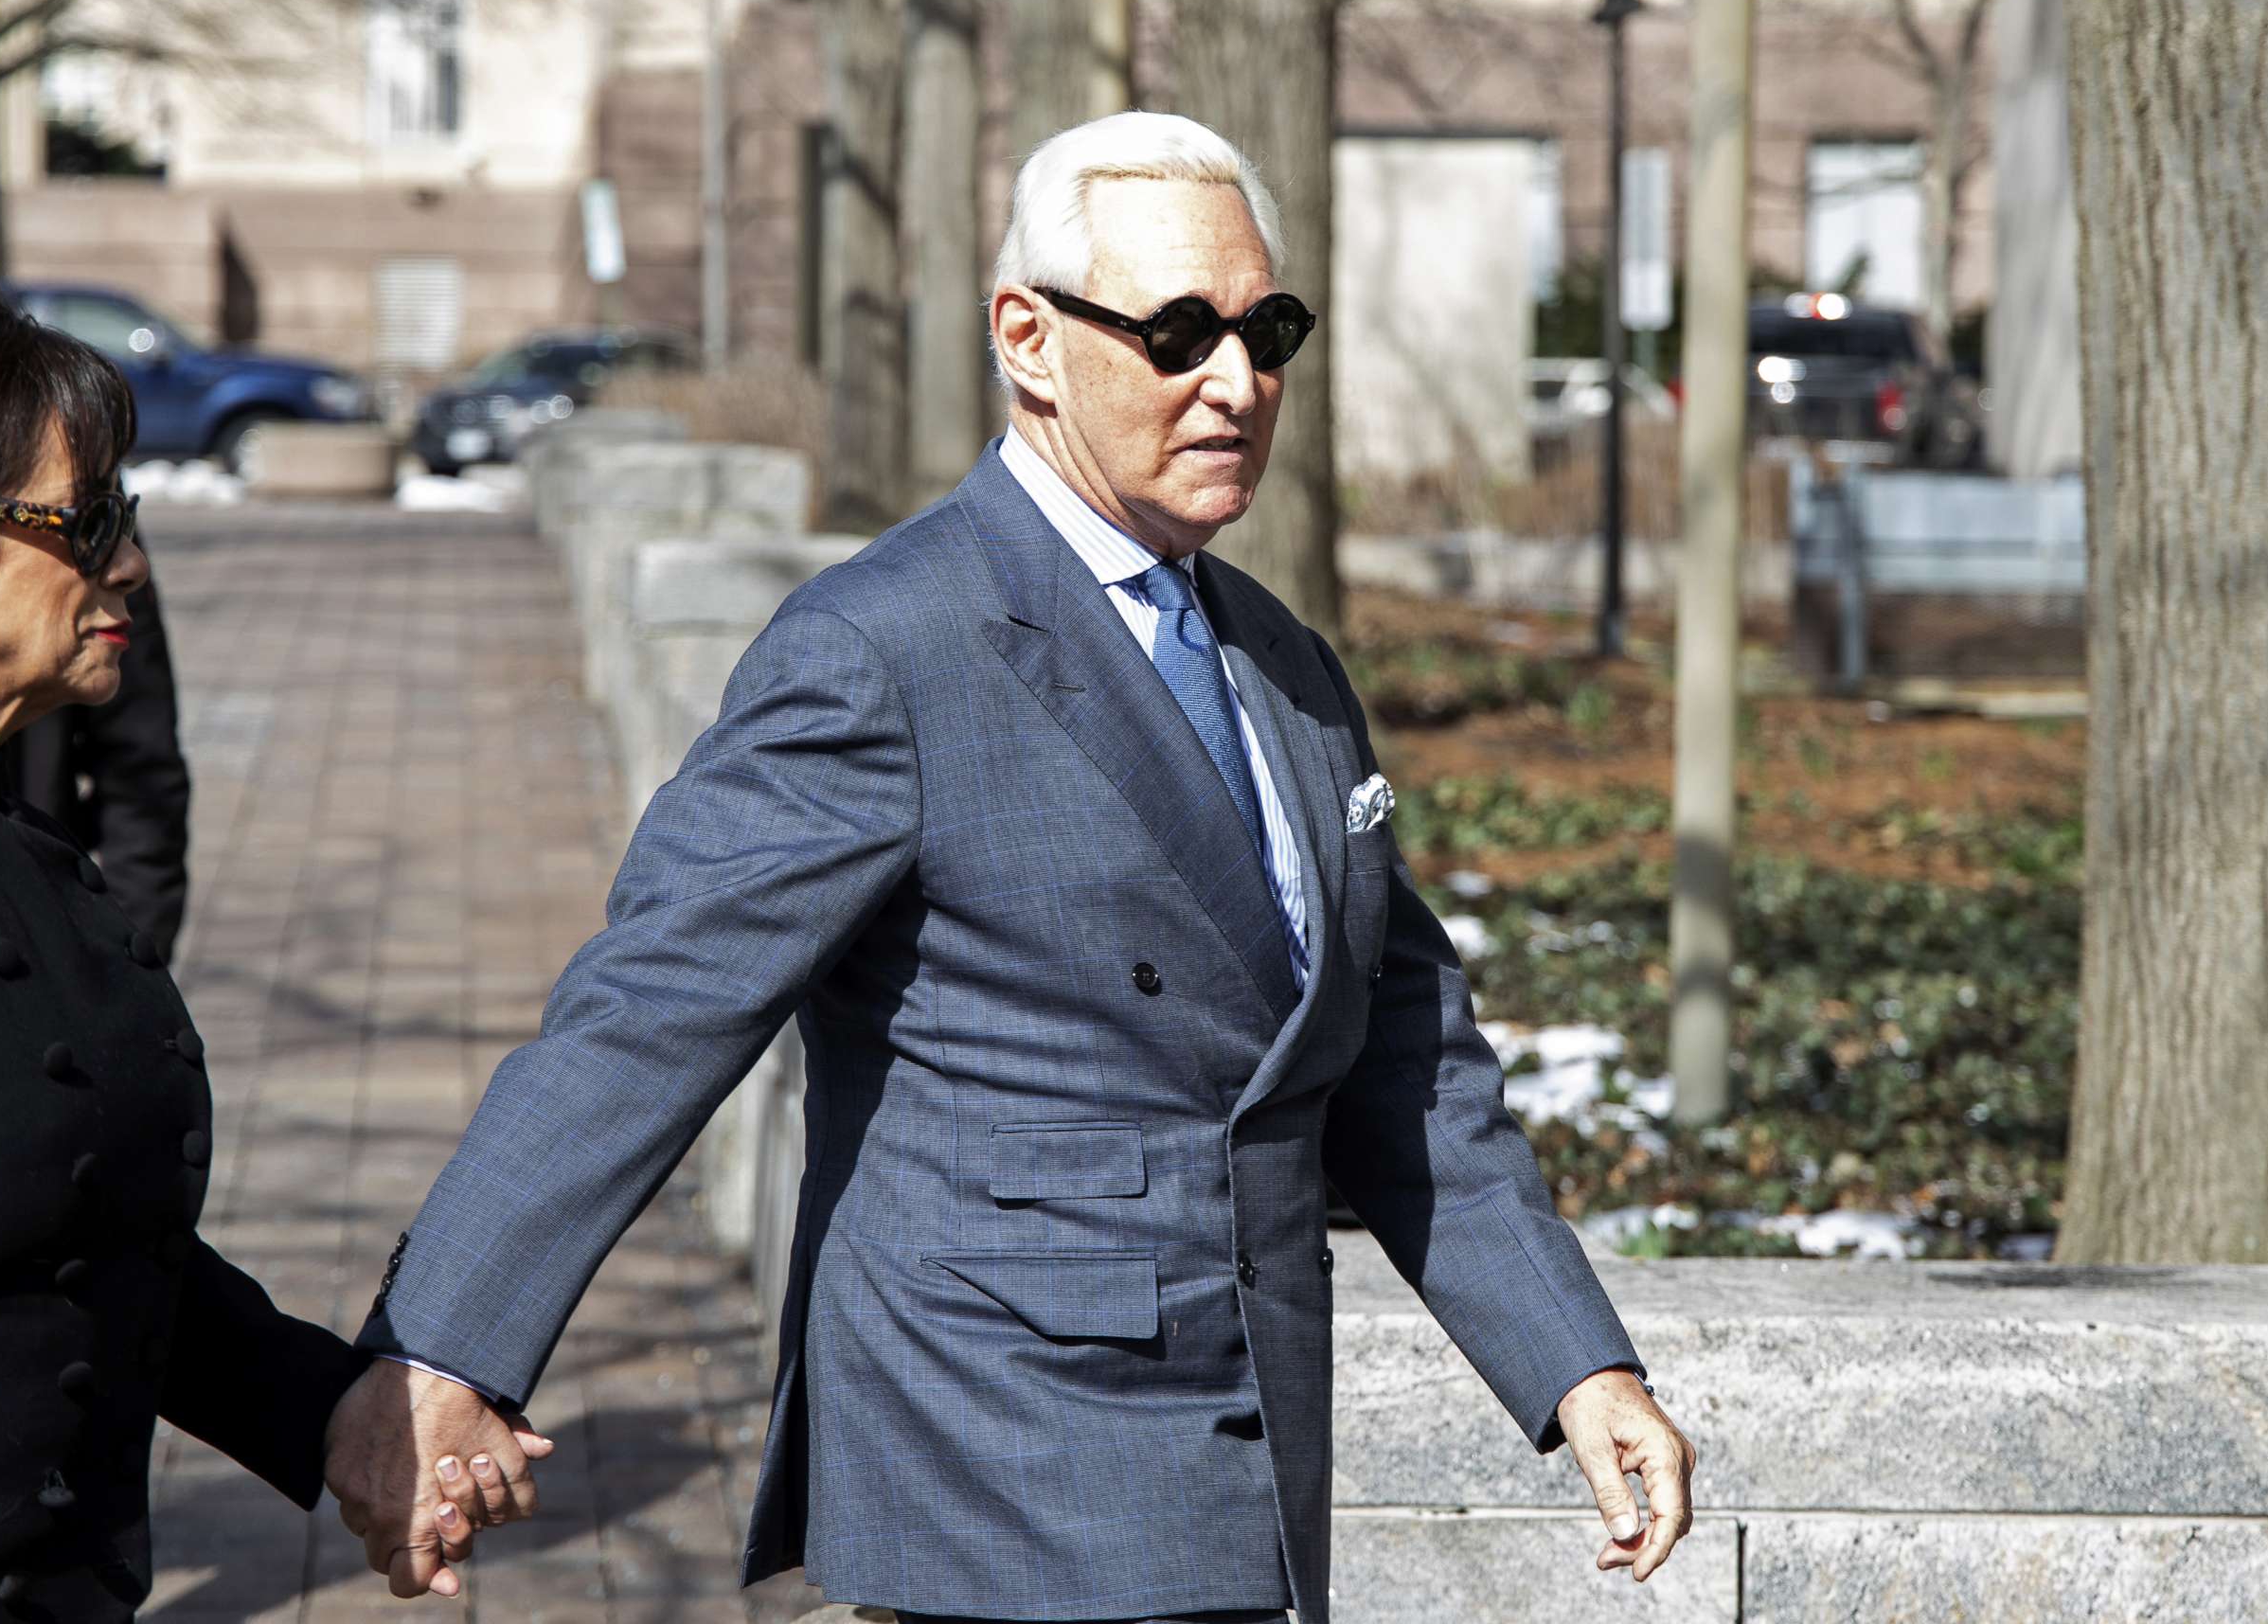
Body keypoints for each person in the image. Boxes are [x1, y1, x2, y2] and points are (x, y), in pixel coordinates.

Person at [327, 112, 1695, 1620]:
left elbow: (1400, 1053)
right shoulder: (884, 647)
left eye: (1267, 329)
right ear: (1029, 341)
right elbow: (651, 1014)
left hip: (1248, 1469)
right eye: (1177, 334)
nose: (1236, 384)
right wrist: (439, 1354)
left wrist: (1577, 1363)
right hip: (1000, 1475)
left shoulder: (1283, 663)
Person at [0, 274, 545, 1619]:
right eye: (87, 520)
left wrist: (336, 1408)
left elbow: (82, 1226)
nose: (131, 566)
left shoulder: (18, 845)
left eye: (134, 516)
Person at [0, 571, 192, 961]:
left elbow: (144, 780)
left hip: (42, 947)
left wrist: (124, 967)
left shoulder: (100, 563)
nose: (129, 563)